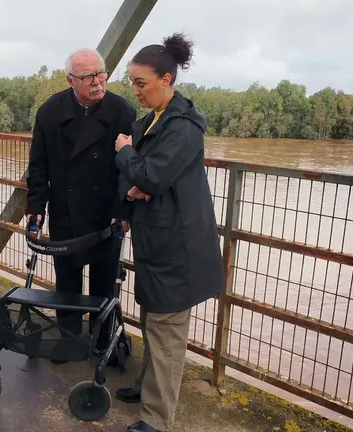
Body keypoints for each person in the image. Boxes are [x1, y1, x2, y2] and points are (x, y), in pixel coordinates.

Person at [112, 33, 226, 432]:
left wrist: (126, 152)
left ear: (165, 79)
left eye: (141, 83)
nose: (135, 91)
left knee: (166, 330)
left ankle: (157, 420)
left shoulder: (183, 127)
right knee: (152, 318)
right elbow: (146, 178)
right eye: (132, 82)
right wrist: (137, 180)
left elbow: (152, 175)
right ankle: (147, 387)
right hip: (158, 240)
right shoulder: (155, 121)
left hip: (178, 249)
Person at [25, 48, 136, 362]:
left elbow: (128, 170)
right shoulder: (50, 112)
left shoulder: (122, 112)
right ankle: (69, 341)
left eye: (101, 73)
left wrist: (122, 211)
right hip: (65, 213)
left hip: (107, 216)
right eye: (88, 76)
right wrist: (36, 207)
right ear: (70, 79)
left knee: (105, 284)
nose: (98, 82)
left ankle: (103, 344)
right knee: (68, 284)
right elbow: (38, 167)